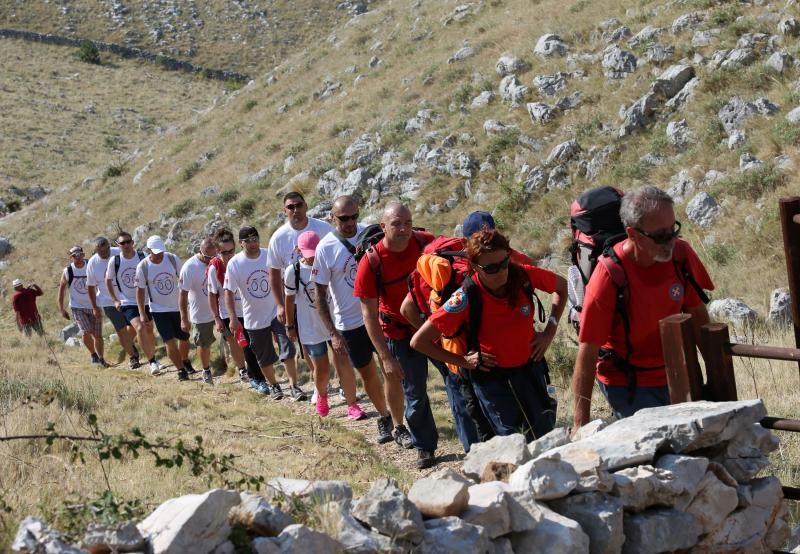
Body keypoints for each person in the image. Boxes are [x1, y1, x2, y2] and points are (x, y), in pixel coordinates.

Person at [571, 185, 714, 429]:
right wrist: (579, 424)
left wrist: (714, 377)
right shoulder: (609, 275)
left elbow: (700, 318)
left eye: (674, 230)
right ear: (633, 234)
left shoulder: (681, 256)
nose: (671, 241)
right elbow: (587, 352)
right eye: (660, 236)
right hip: (627, 382)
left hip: (677, 373)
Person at [411, 228, 567, 441]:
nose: (502, 272)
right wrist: (463, 361)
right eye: (491, 268)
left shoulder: (522, 275)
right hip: (492, 380)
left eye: (504, 263)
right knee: (513, 441)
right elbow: (419, 341)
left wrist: (550, 331)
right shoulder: (465, 297)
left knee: (544, 433)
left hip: (530, 369)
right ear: (475, 267)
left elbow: (562, 287)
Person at [401, 210, 533, 452]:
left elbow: (406, 308)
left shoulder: (452, 262)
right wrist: (441, 339)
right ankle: (481, 461)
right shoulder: (455, 267)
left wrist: (441, 341)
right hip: (471, 356)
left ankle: (477, 459)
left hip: (462, 353)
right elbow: (407, 310)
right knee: (482, 414)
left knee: (468, 409)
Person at [354, 201, 439, 470]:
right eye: (396, 224)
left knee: (457, 379)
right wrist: (385, 356)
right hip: (399, 333)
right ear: (383, 227)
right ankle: (425, 446)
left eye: (407, 223)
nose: (404, 229)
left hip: (431, 325)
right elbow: (368, 315)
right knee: (415, 391)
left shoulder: (425, 242)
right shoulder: (371, 263)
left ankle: (474, 438)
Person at [312, 195, 395, 441]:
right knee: (368, 373)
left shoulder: (370, 233)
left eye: (353, 216)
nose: (350, 223)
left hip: (379, 314)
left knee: (390, 368)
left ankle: (399, 417)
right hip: (349, 323)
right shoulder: (325, 247)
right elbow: (319, 294)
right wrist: (333, 334)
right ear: (332, 218)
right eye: (343, 218)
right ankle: (385, 415)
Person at [268, 191, 332, 401]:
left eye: (299, 205)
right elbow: (274, 274)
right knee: (308, 347)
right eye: (291, 207)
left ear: (306, 206)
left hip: (327, 297)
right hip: (295, 301)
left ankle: (341, 384)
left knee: (337, 344)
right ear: (284, 211)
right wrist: (279, 305)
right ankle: (318, 383)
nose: (296, 210)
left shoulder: (322, 228)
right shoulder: (279, 237)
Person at [283, 231, 347, 416]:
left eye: (314, 254)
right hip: (310, 327)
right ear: (298, 250)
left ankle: (345, 389)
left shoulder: (327, 263)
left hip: (334, 323)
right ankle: (321, 394)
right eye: (308, 254)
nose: (312, 259)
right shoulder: (292, 271)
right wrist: (289, 325)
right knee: (322, 367)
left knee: (342, 361)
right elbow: (289, 301)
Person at [224, 226, 287, 401]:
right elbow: (228, 292)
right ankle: (274, 385)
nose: (253, 243)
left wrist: (286, 305)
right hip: (253, 317)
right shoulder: (235, 263)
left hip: (276, 311)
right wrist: (233, 318)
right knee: (264, 357)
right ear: (241, 243)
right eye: (248, 240)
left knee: (287, 347)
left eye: (255, 238)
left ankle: (295, 385)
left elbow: (283, 280)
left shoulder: (269, 255)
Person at [207, 227, 261, 387]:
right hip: (227, 312)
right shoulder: (213, 268)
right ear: (217, 251)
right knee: (236, 342)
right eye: (224, 253)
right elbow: (211, 295)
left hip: (247, 308)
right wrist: (217, 318)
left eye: (231, 251)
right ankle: (243, 369)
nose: (229, 255)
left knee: (252, 343)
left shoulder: (239, 262)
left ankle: (254, 370)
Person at [135, 235, 190, 381]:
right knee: (169, 341)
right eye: (155, 252)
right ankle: (181, 370)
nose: (159, 254)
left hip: (177, 307)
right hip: (158, 310)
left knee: (184, 338)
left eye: (160, 251)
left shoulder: (172, 259)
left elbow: (183, 279)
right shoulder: (143, 266)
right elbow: (140, 291)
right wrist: (141, 312)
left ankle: (185, 360)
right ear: (148, 250)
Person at [106, 231, 160, 374]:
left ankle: (152, 356)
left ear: (133, 242)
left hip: (147, 300)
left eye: (129, 241)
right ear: (117, 245)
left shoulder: (142, 256)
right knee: (140, 328)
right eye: (123, 243)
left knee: (149, 330)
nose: (126, 245)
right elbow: (108, 280)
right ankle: (152, 361)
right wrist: (115, 300)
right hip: (127, 302)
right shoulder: (115, 261)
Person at [86, 236, 140, 368]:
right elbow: (91, 287)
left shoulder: (119, 252)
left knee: (133, 327)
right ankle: (133, 357)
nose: (105, 253)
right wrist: (95, 307)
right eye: (101, 251)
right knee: (121, 331)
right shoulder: (93, 263)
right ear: (96, 251)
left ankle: (129, 343)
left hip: (128, 298)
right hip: (108, 302)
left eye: (106, 250)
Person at [58, 245, 107, 366]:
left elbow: (103, 281)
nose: (78, 257)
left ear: (83, 255)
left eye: (80, 254)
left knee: (98, 335)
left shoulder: (91, 265)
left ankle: (101, 359)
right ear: (71, 257)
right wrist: (61, 309)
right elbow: (62, 290)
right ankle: (93, 354)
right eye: (74, 255)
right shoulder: (68, 271)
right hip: (77, 306)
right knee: (85, 332)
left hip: (94, 305)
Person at [180, 237, 218, 384]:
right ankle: (206, 369)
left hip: (221, 309)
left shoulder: (218, 261)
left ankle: (236, 367)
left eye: (213, 256)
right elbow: (182, 294)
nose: (211, 260)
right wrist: (184, 318)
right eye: (208, 257)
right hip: (201, 313)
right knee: (203, 343)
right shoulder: (190, 267)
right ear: (200, 252)